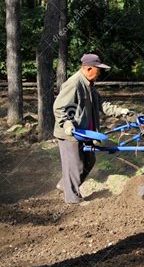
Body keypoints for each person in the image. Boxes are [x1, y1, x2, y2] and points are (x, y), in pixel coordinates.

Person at [53, 53, 134, 204]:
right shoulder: (74, 83)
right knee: (75, 165)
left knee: (90, 160)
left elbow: (103, 104)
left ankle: (65, 185)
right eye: (98, 70)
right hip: (71, 133)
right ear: (89, 68)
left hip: (85, 132)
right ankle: (73, 199)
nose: (100, 73)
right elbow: (59, 107)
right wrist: (67, 124)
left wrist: (120, 112)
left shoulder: (89, 85)